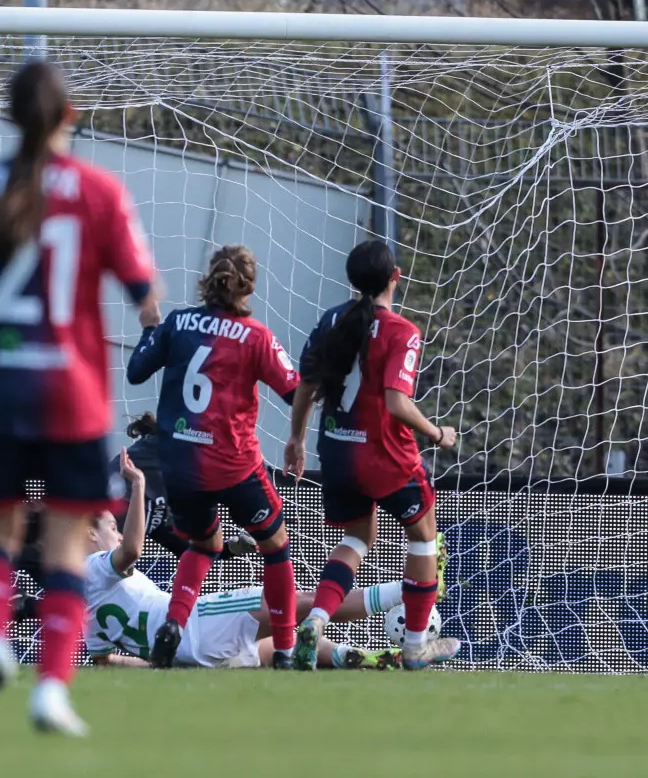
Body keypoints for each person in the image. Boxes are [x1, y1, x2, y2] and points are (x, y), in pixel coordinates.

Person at [0, 59, 159, 736]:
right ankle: (52, 688)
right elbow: (146, 293)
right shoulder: (99, 191)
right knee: (64, 551)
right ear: (69, 117)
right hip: (74, 398)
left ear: (11, 118)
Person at [0, 412, 256, 638]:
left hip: (84, 559)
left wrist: (230, 546)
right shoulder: (155, 457)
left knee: (83, 599)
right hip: (64, 528)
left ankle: (21, 608)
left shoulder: (168, 503)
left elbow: (195, 549)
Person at [284, 239, 461, 671]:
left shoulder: (332, 319)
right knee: (423, 538)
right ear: (395, 277)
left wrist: (297, 439)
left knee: (358, 538)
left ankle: (317, 621)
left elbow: (306, 383)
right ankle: (416, 647)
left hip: (336, 449)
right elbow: (397, 403)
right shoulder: (403, 331)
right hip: (384, 455)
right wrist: (439, 434)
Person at [126, 244, 301, 669]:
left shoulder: (178, 323)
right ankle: (286, 651)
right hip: (234, 464)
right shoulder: (257, 337)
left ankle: (172, 626)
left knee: (204, 544)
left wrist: (150, 327)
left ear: (209, 278)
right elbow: (296, 393)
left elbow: (135, 372)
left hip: (180, 465)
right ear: (249, 287)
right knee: (275, 547)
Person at [87, 448, 406, 670]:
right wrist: (139, 484)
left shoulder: (84, 601)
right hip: (199, 624)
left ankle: (352, 657)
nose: (116, 535)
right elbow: (131, 549)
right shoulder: (97, 565)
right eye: (112, 527)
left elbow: (104, 662)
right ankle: (410, 590)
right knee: (300, 604)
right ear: (89, 534)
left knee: (282, 647)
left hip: (187, 655)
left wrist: (157, 662)